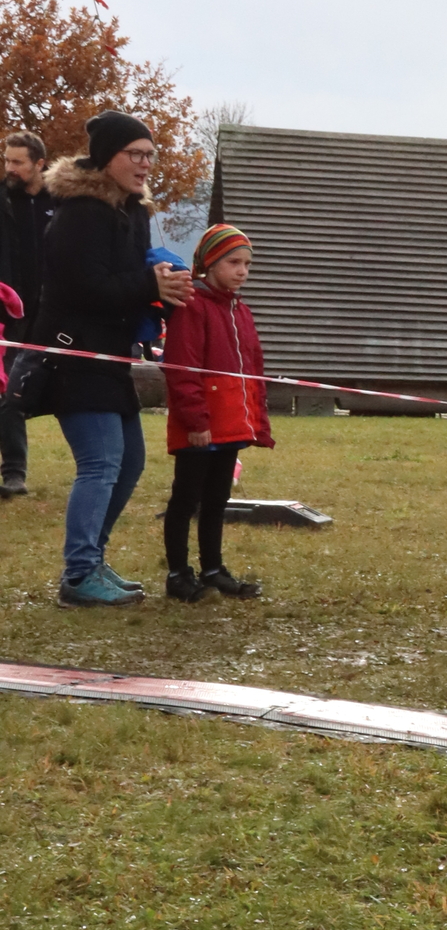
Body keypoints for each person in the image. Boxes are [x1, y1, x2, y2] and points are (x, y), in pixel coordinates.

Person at [31, 111, 191, 606]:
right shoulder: (80, 213)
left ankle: (92, 560)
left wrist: (165, 287)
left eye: (150, 155)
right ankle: (79, 575)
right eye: (135, 154)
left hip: (112, 356)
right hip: (75, 354)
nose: (145, 164)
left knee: (130, 463)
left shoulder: (133, 212)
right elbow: (87, 289)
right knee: (100, 464)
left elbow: (132, 282)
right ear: (107, 157)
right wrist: (149, 284)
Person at [160, 222, 271, 599]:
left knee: (217, 498)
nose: (242, 271)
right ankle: (178, 573)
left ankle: (212, 568)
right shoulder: (192, 308)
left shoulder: (241, 312)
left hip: (230, 424)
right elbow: (182, 368)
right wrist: (195, 420)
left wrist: (254, 418)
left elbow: (252, 369)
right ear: (209, 264)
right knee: (185, 498)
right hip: (200, 426)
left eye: (247, 264)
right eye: (233, 263)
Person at [0, 130, 51, 498]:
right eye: (6, 160)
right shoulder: (3, 201)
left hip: (54, 313)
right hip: (9, 313)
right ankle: (14, 472)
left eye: (18, 162)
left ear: (39, 164)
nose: (10, 168)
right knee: (8, 391)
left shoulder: (62, 203)